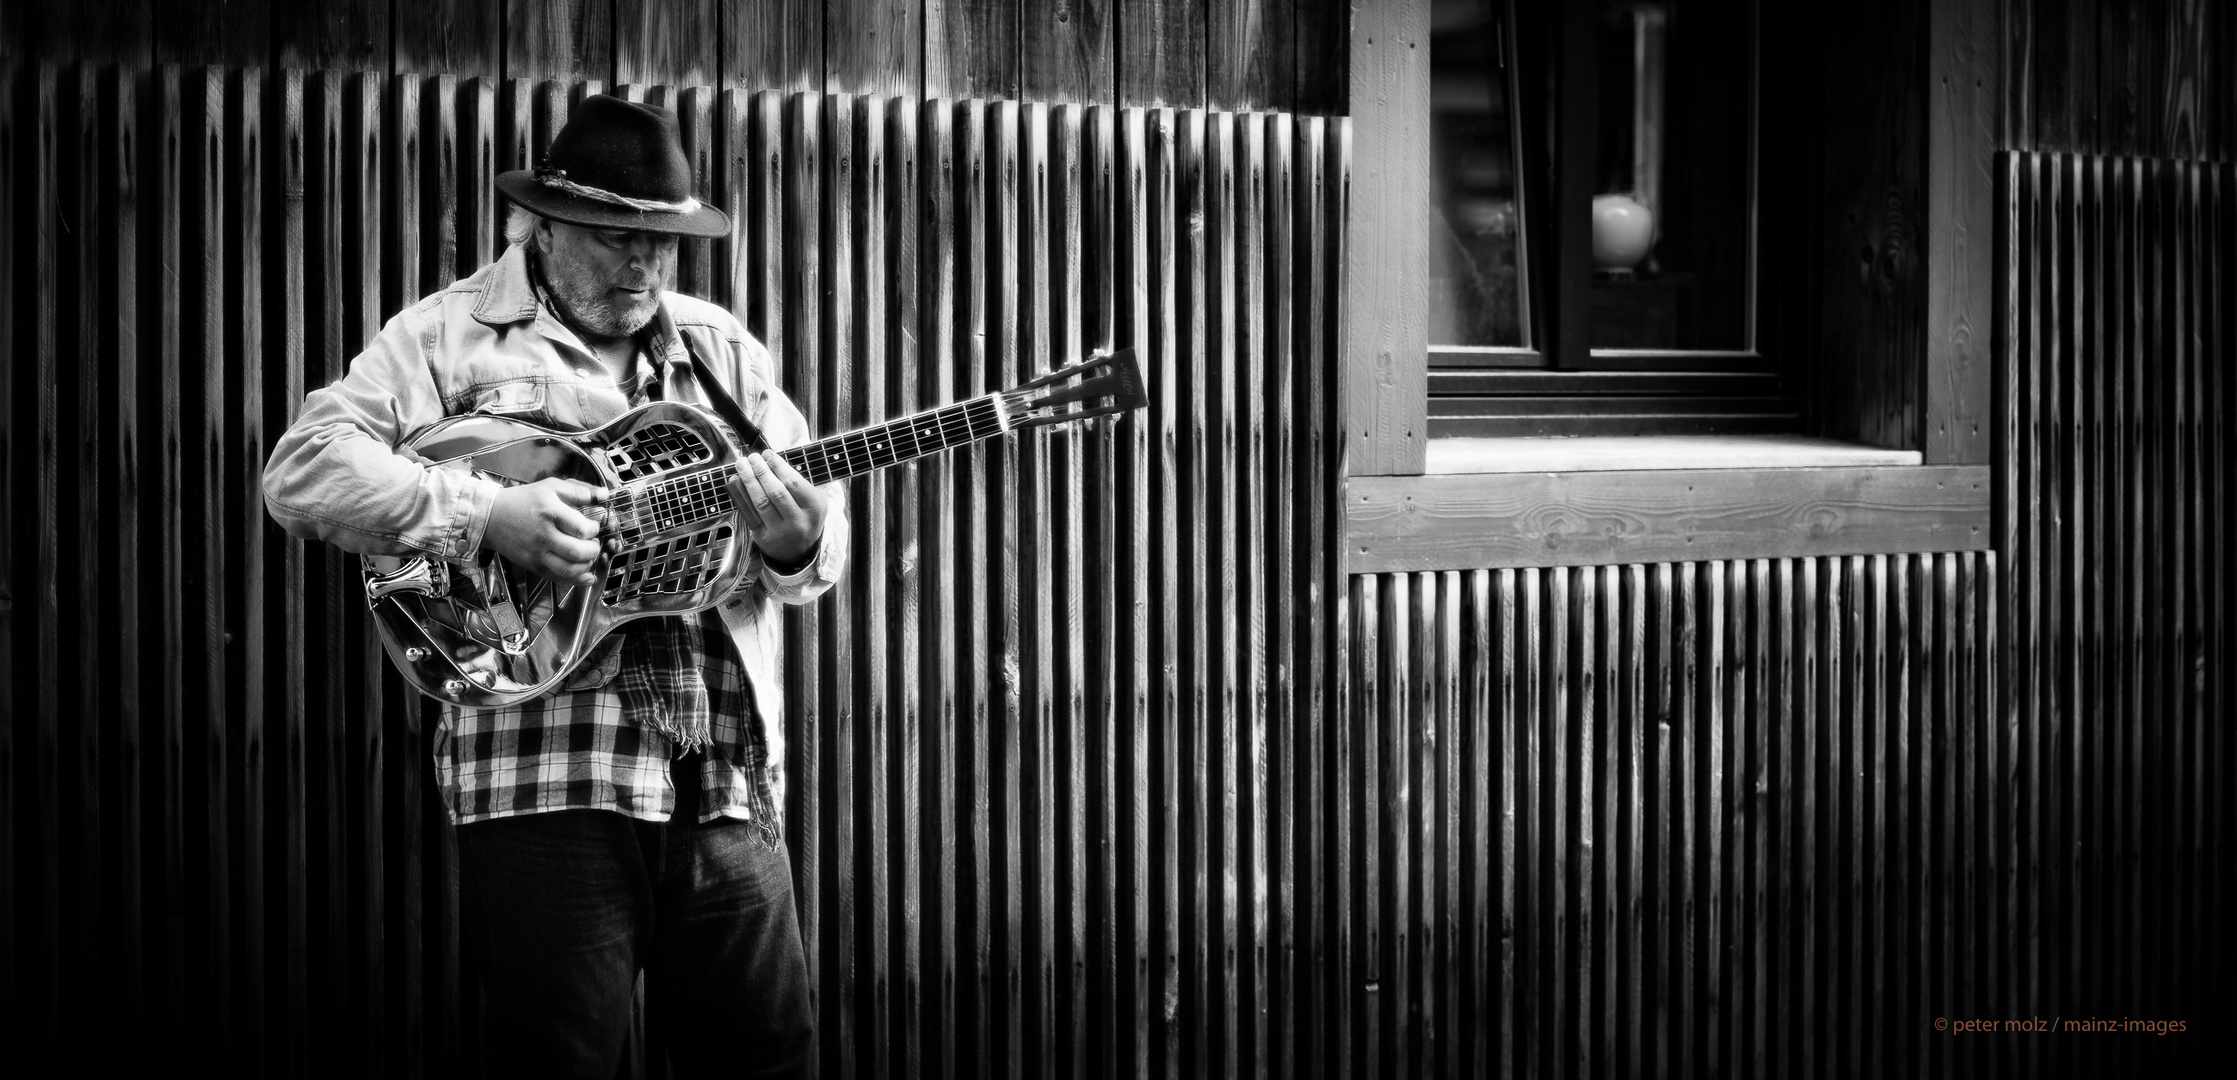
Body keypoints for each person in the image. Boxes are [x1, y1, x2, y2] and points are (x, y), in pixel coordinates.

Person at [263, 95, 843, 1078]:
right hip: (542, 783)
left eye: (662, 245)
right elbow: (302, 471)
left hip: (725, 778)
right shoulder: (448, 336)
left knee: (767, 1056)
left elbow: (811, 557)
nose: (642, 269)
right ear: (537, 223)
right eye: (617, 239)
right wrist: (488, 514)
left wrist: (797, 538)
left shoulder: (719, 346)